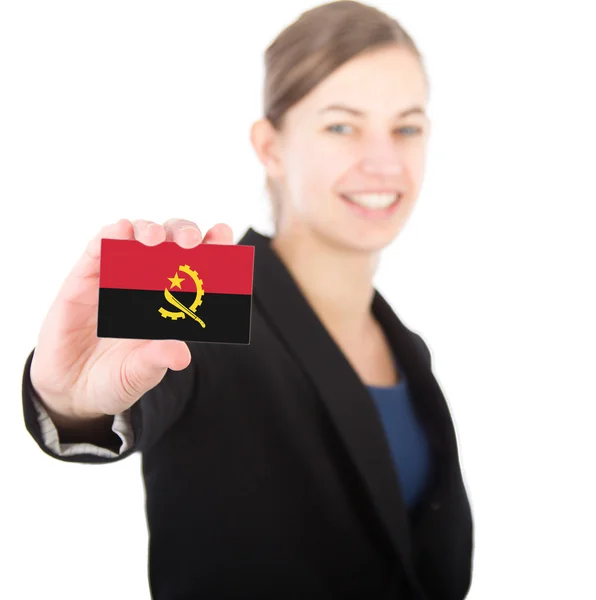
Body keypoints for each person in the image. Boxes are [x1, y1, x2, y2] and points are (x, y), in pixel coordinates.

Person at [21, 1, 474, 598]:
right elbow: (123, 392)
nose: (384, 161)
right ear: (271, 147)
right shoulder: (205, 296)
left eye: (406, 127)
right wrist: (69, 402)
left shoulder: (408, 348)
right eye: (342, 125)